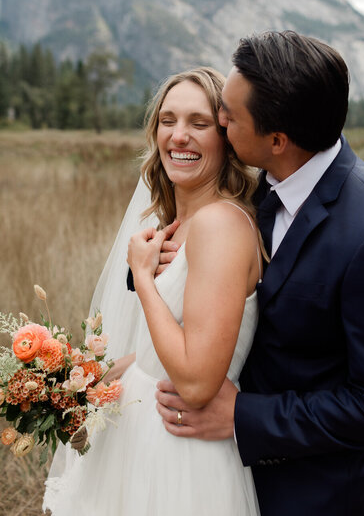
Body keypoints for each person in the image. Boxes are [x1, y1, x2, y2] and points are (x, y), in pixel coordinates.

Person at [156, 31, 364, 516]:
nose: (219, 122)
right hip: (227, 477)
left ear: (277, 140)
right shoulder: (257, 189)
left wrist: (246, 416)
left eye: (229, 115)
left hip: (318, 493)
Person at [42, 67, 262, 515]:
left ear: (226, 136)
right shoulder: (173, 228)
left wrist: (143, 279)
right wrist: (74, 383)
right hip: (139, 435)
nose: (179, 136)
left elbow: (197, 382)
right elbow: (156, 354)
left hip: (182, 457)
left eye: (199, 123)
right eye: (168, 120)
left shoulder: (221, 225)